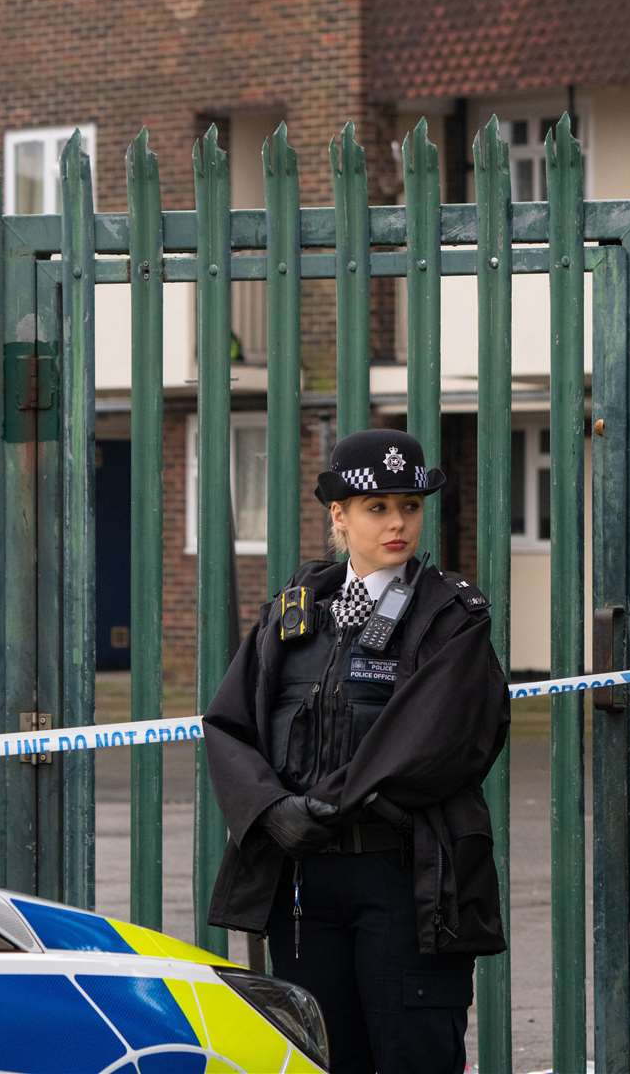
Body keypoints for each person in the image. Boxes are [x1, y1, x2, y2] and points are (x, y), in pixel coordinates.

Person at [203, 428, 509, 1074]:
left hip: (408, 881)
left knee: (412, 1056)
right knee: (321, 1058)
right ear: (338, 516)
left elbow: (438, 741)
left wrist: (325, 807)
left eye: (410, 507)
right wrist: (269, 810)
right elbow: (230, 724)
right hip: (307, 889)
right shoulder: (294, 613)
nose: (397, 523)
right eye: (378, 508)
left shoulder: (451, 618)